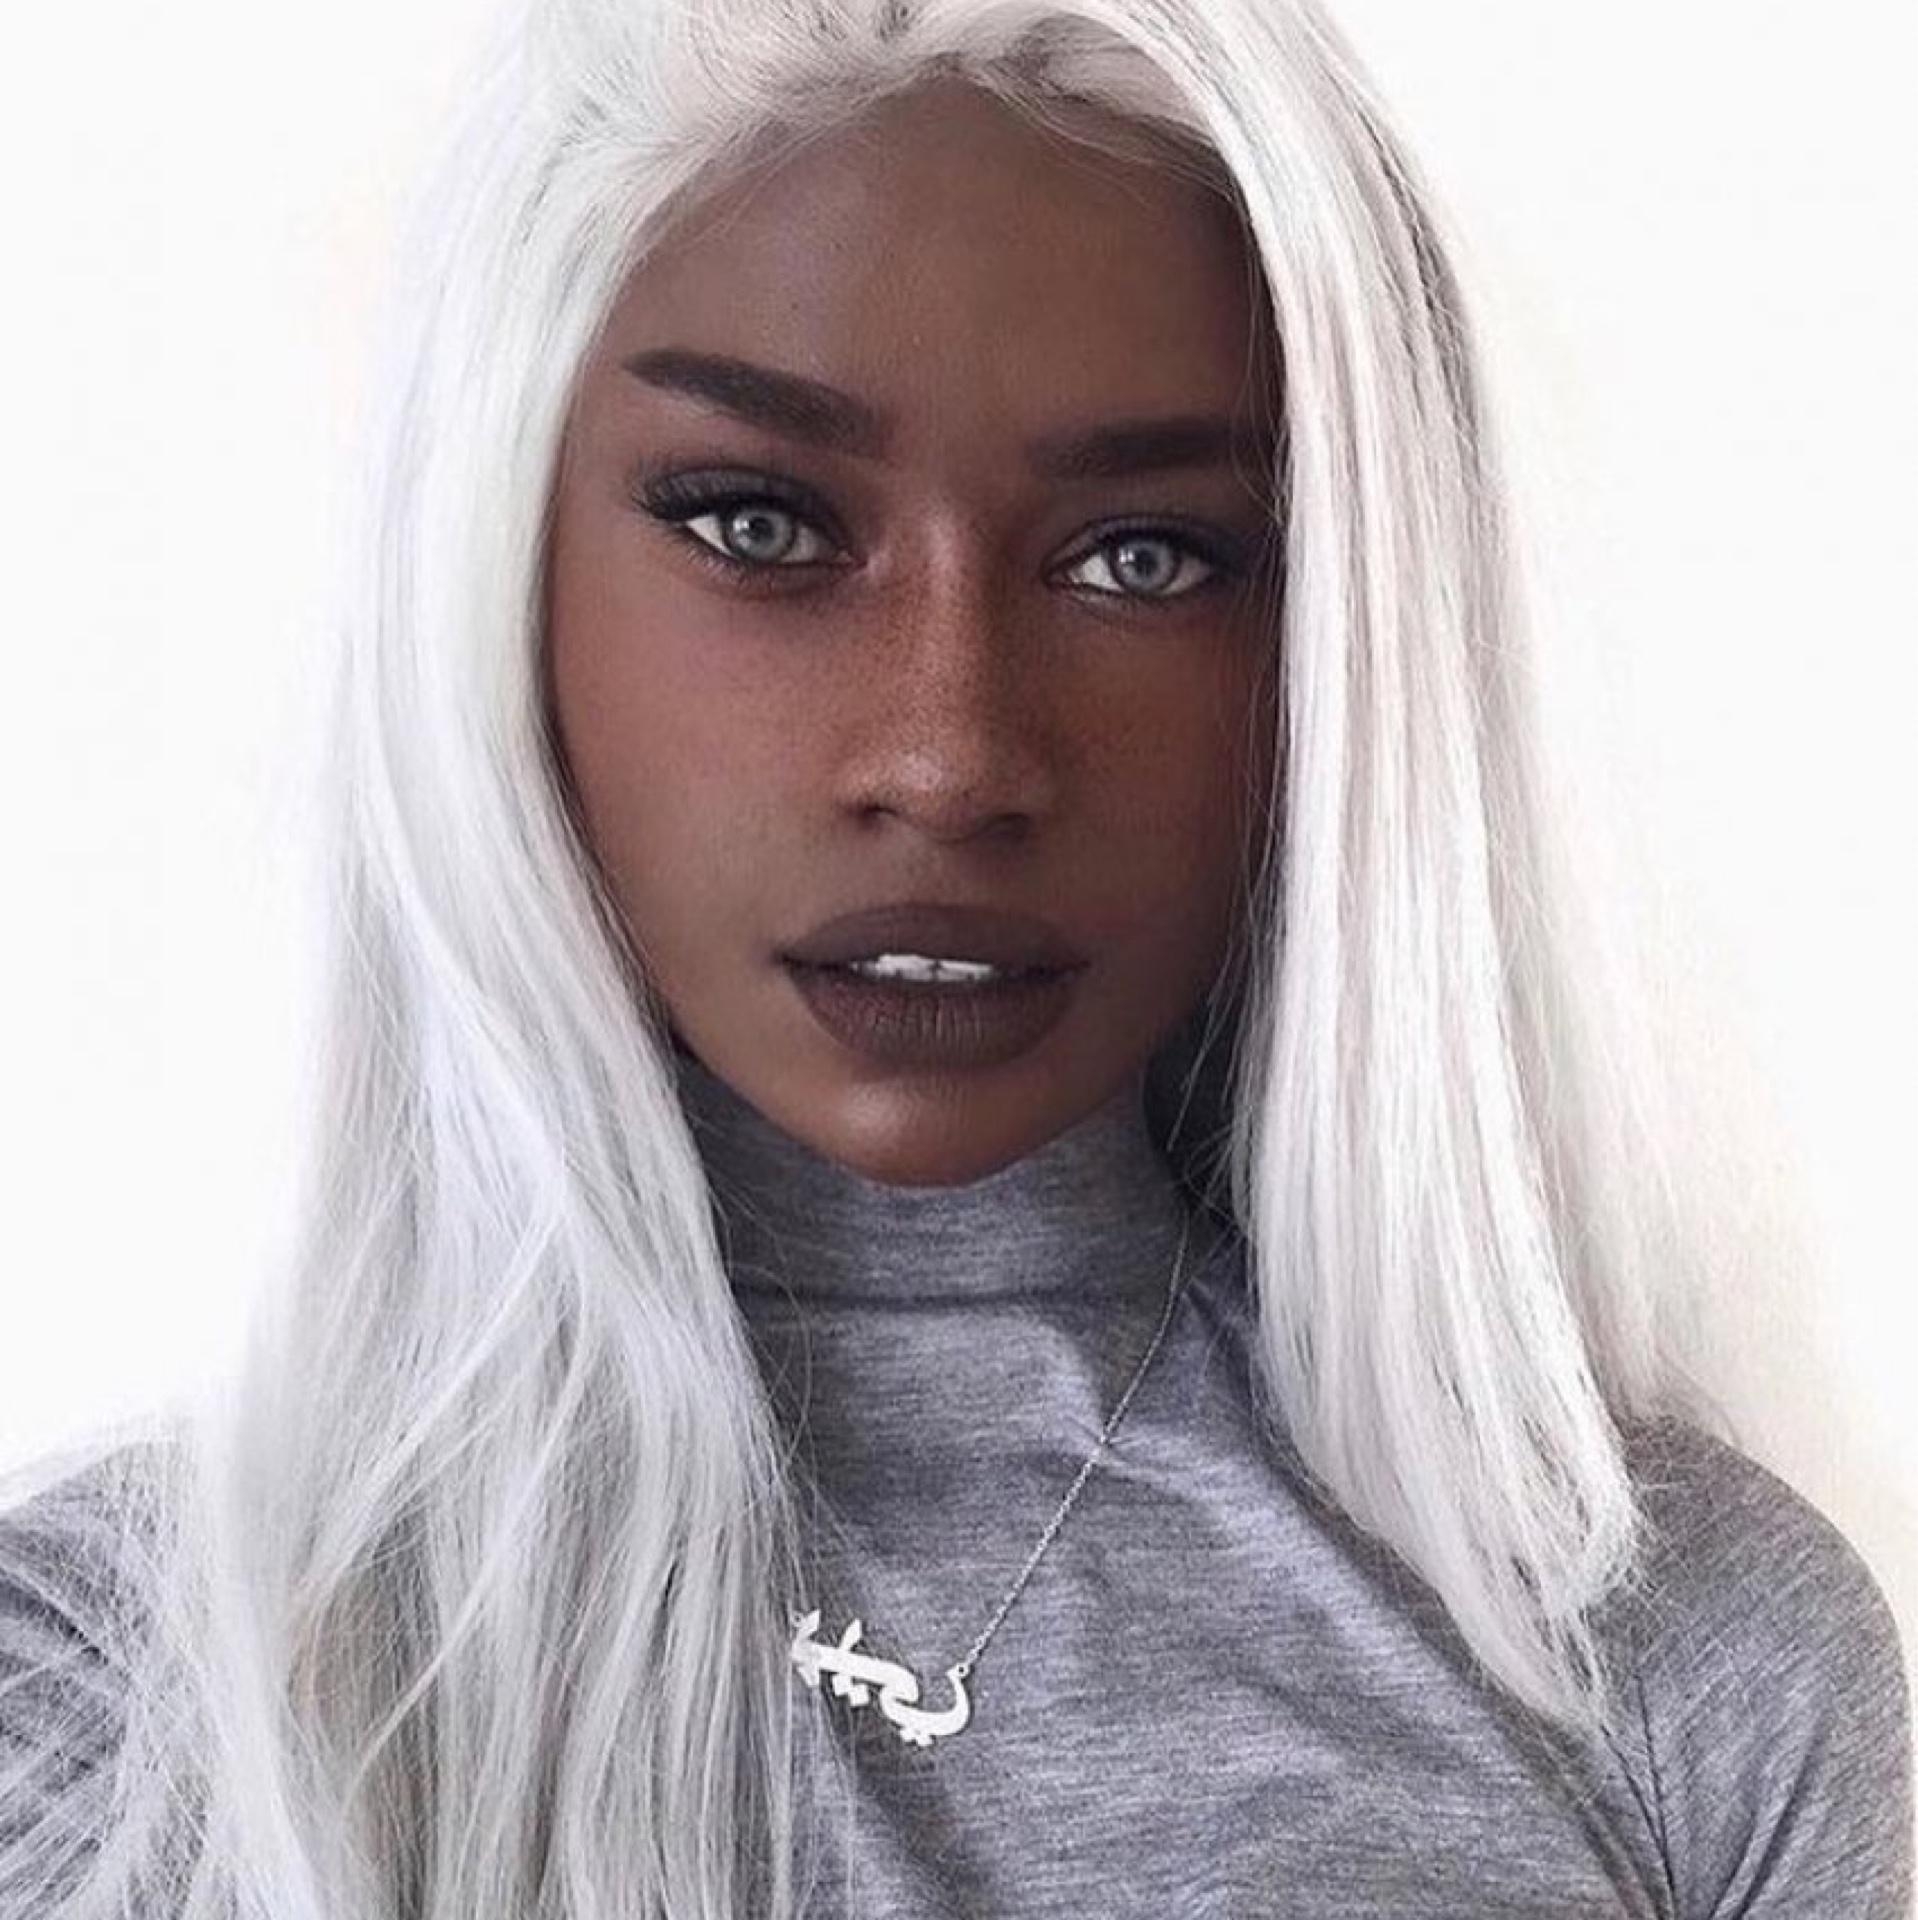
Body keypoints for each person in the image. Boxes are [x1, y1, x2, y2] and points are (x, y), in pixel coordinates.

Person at [1, 0, 1910, 1914]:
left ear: (1343, 641)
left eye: (1147, 556)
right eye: (756, 522)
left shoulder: (1674, 1667)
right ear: (491, 560)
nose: (949, 757)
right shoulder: (114, 1697)